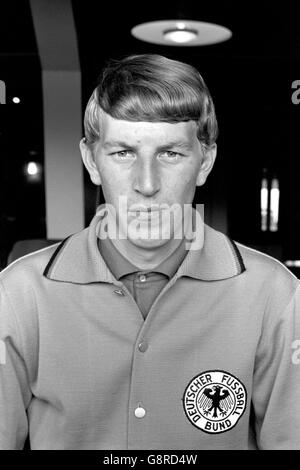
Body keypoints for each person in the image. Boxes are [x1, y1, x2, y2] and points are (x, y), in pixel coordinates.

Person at [0, 54, 300, 450]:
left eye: (170, 153)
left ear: (204, 161)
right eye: (123, 153)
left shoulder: (275, 294)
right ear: (92, 160)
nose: (146, 183)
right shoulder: (18, 295)